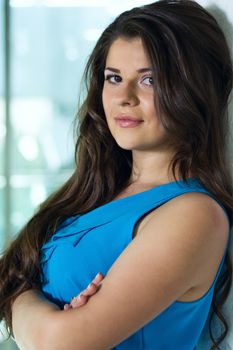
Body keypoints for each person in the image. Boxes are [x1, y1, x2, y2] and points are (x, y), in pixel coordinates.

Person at [0, 0, 233, 349]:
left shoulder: (195, 215)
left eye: (149, 79)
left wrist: (19, 300)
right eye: (114, 78)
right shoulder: (96, 190)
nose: (124, 97)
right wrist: (43, 317)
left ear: (194, 90)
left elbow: (62, 344)